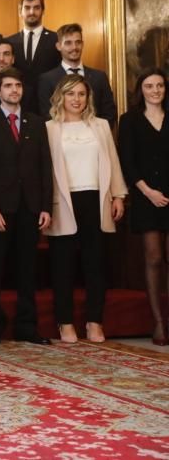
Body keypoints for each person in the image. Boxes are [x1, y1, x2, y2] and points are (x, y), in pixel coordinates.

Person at [44, 74, 128, 343]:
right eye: (71, 94)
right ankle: (65, 322)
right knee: (63, 265)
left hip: (97, 199)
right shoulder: (49, 128)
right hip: (63, 202)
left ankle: (95, 321)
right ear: (61, 97)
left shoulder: (100, 125)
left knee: (95, 264)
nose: (76, 99)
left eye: (81, 94)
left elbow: (112, 161)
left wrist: (118, 195)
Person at [0, 68, 53, 345]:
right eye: (8, 86)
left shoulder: (36, 122)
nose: (13, 90)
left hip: (30, 207)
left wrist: (46, 206)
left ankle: (27, 326)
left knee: (27, 269)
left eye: (18, 85)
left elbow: (46, 166)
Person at [116, 69, 169, 345]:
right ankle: (158, 323)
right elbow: (127, 162)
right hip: (146, 198)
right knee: (154, 258)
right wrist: (149, 192)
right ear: (141, 89)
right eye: (149, 86)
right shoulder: (130, 120)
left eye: (160, 85)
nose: (155, 90)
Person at [37, 23, 118, 128]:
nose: (74, 47)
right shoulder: (46, 79)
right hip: (61, 139)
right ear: (58, 46)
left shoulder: (100, 77)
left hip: (94, 138)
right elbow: (46, 115)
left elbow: (110, 113)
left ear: (82, 44)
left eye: (78, 42)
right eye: (68, 43)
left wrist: (93, 132)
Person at [4, 0, 61, 93]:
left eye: (36, 7)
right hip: (18, 100)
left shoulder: (56, 39)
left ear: (43, 11)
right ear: (20, 12)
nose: (31, 12)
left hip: (49, 98)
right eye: (27, 8)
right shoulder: (8, 42)